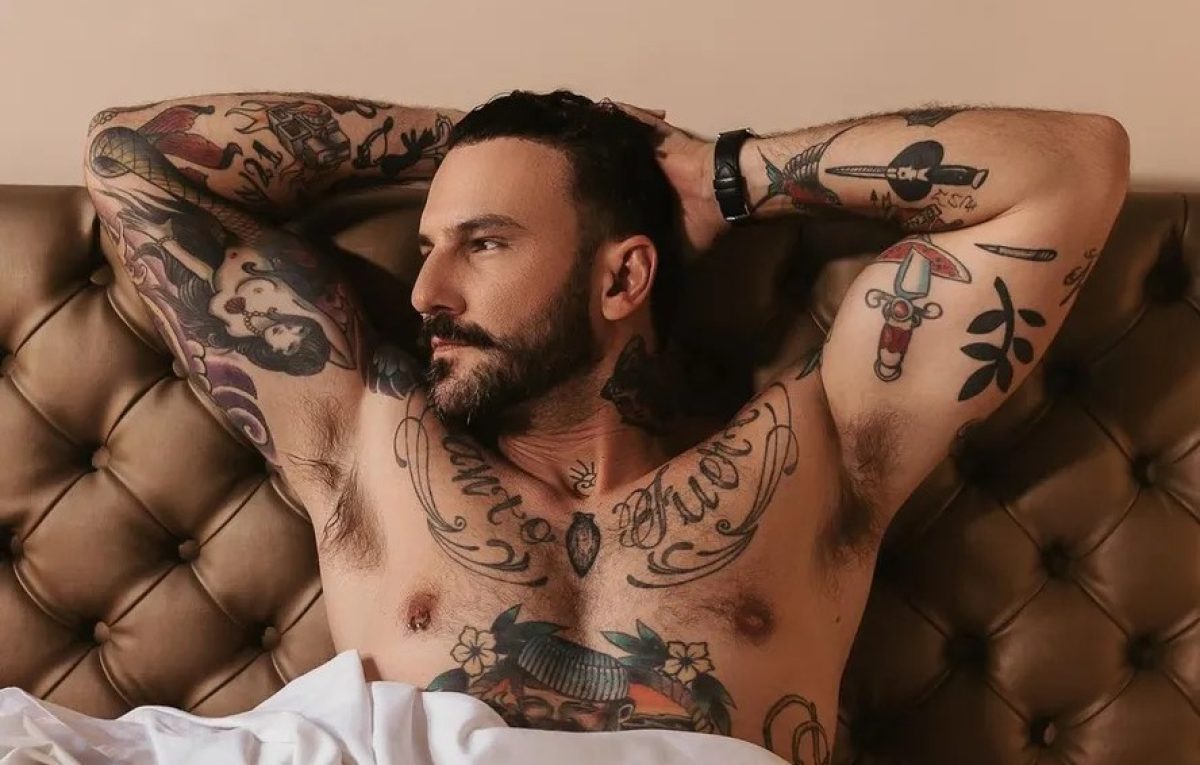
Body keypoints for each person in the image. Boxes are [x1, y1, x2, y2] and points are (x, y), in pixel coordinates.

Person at [83, 89, 1129, 762]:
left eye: (483, 242)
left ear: (624, 277)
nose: (427, 293)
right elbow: (134, 157)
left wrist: (723, 176)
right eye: (428, 247)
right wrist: (472, 139)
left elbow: (1073, 164)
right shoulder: (367, 438)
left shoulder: (815, 455)